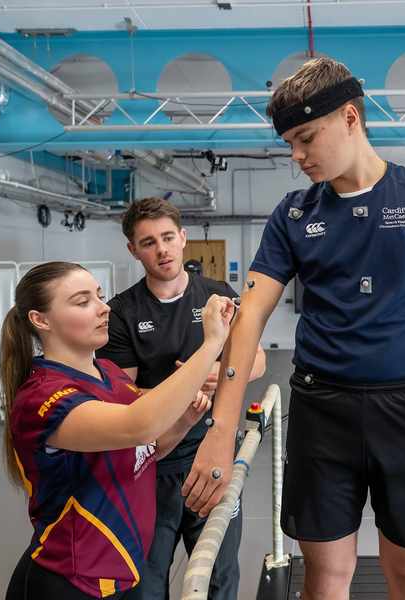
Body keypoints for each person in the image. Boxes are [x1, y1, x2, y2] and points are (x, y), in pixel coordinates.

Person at [182, 57, 405, 600]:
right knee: (327, 579)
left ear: (350, 117)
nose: (297, 156)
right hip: (321, 411)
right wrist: (221, 430)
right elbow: (253, 314)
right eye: (289, 142)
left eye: (306, 137)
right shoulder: (292, 214)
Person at [1, 261, 234, 599]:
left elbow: (143, 450)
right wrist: (212, 343)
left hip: (124, 567)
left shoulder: (108, 371)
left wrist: (183, 421)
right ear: (41, 320)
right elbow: (138, 427)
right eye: (83, 302)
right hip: (74, 580)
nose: (103, 308)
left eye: (99, 296)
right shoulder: (43, 396)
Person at [97, 198, 266, 600]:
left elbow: (255, 360)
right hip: (153, 463)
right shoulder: (122, 312)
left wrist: (220, 374)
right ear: (133, 250)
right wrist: (184, 388)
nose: (163, 250)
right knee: (148, 581)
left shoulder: (217, 295)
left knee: (219, 575)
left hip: (212, 452)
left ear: (184, 238)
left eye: (168, 238)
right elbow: (124, 395)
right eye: (149, 242)